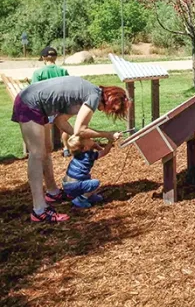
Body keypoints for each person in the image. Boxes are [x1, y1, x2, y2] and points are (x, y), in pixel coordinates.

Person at [11, 76, 130, 223]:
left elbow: (60, 121)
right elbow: (80, 130)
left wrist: (88, 141)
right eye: (112, 109)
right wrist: (107, 135)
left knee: (47, 149)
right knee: (37, 154)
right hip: (29, 103)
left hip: (37, 104)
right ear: (110, 99)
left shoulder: (87, 93)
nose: (108, 111)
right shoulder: (93, 97)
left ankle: (52, 192)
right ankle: (39, 210)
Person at [32, 46, 71, 157]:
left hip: (46, 105)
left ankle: (48, 151)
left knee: (47, 128)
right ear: (55, 57)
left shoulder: (38, 73)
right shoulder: (63, 71)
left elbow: (34, 90)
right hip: (61, 103)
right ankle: (66, 148)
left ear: (44, 58)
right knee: (63, 126)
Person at [63, 135, 116, 209]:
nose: (91, 139)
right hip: (74, 186)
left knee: (87, 178)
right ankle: (80, 200)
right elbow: (104, 152)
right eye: (88, 139)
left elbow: (97, 148)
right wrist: (111, 141)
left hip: (67, 184)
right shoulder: (88, 156)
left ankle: (89, 196)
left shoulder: (78, 155)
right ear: (85, 148)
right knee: (95, 183)